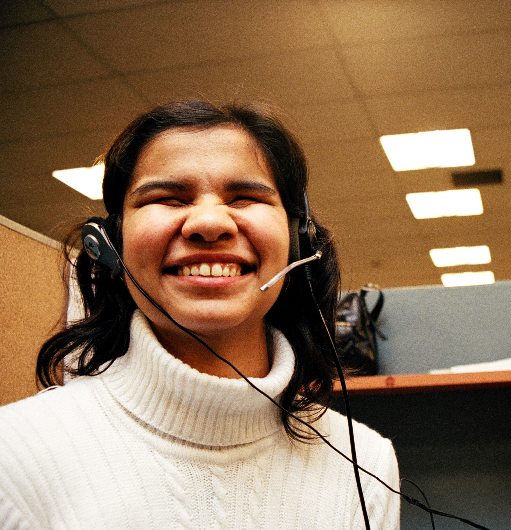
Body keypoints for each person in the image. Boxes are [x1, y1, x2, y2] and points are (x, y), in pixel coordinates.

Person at [0, 100, 400, 529]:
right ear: (111, 243)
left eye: (245, 197)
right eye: (168, 198)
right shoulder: (16, 457)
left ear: (298, 238)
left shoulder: (367, 464)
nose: (209, 223)